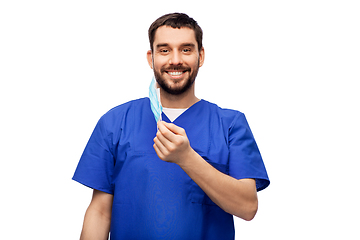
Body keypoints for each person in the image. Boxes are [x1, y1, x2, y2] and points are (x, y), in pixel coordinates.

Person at [73, 13, 270, 240]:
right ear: (151, 58)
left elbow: (247, 207)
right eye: (164, 50)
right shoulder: (115, 122)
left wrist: (187, 158)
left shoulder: (230, 125)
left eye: (186, 49)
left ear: (201, 55)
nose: (175, 60)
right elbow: (99, 212)